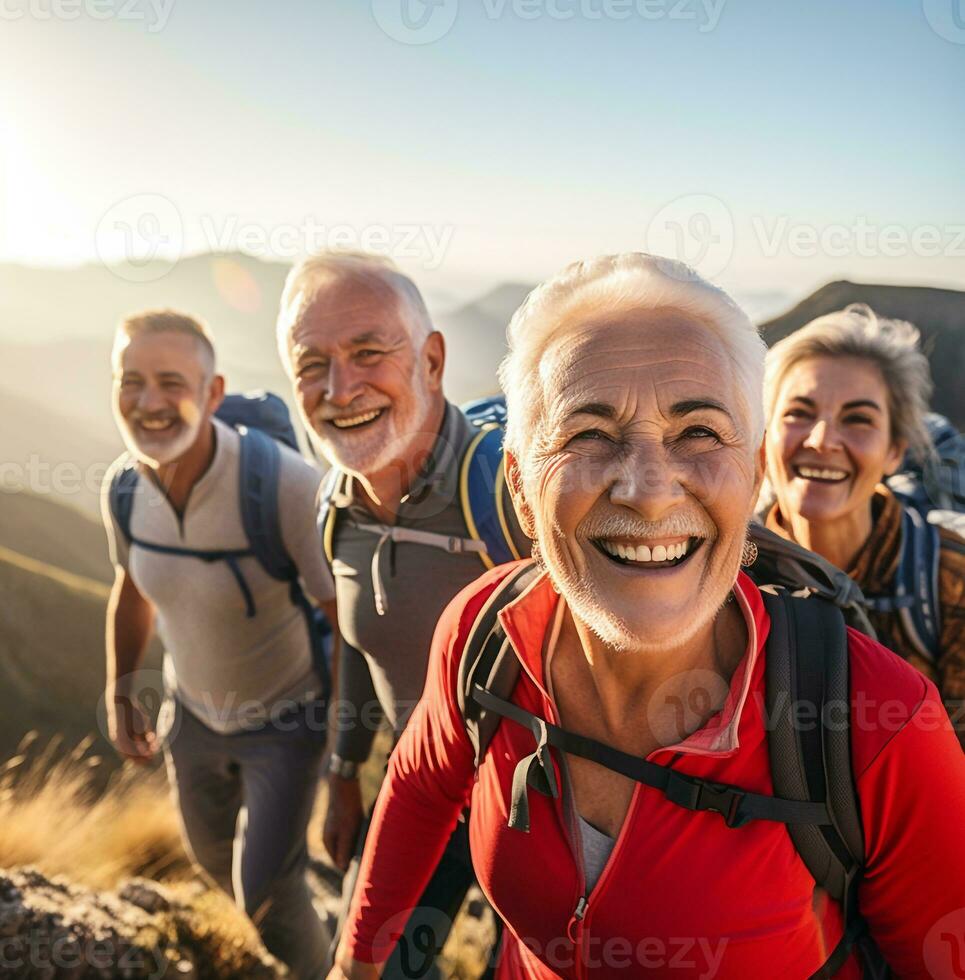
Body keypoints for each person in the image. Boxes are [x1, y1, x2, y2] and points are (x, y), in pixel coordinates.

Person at [328, 254, 965, 979]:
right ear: (521, 487)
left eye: (697, 431)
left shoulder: (876, 722)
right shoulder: (483, 630)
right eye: (587, 434)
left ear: (751, 473)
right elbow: (420, 783)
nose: (648, 491)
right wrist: (357, 961)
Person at [277, 253, 529, 976]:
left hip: (542, 814)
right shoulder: (336, 507)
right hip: (420, 800)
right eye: (311, 364)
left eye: (367, 353)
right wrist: (343, 775)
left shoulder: (508, 493)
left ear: (431, 360)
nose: (339, 387)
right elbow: (357, 647)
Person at [101, 310, 337, 980]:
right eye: (130, 381)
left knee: (261, 889)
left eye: (170, 382)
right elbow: (131, 588)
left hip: (289, 721)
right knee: (217, 866)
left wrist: (345, 761)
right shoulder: (121, 487)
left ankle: (327, 969)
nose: (148, 402)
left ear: (211, 393)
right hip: (193, 718)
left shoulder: (286, 487)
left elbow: (342, 625)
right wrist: (121, 689)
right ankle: (318, 925)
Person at [762, 303, 965, 744]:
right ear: (766, 432)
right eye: (798, 412)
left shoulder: (951, 581)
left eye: (857, 419)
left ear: (895, 451)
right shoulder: (721, 571)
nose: (821, 441)